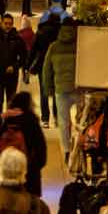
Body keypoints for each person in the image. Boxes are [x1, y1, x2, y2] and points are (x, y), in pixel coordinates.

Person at [42, 16, 78, 160]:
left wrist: (48, 88)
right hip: (78, 87)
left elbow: (46, 70)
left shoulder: (54, 47)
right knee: (82, 121)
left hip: (61, 88)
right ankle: (81, 147)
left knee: (63, 121)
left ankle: (67, 150)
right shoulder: (80, 45)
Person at [0, 92, 48, 197]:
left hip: (9, 168)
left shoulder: (7, 119)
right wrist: (38, 165)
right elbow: (40, 146)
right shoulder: (31, 120)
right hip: (29, 169)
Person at [0, 13, 27, 132]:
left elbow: (24, 57)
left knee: (10, 103)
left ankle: (9, 126)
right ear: (1, 24)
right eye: (5, 23)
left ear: (12, 25)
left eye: (10, 24)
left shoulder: (18, 39)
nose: (7, 26)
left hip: (12, 77)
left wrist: (15, 66)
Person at [28, 9, 62, 127]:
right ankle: (57, 118)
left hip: (43, 64)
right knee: (57, 91)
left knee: (44, 92)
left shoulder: (41, 31)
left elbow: (34, 49)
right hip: (58, 64)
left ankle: (45, 119)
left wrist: (28, 65)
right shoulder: (61, 32)